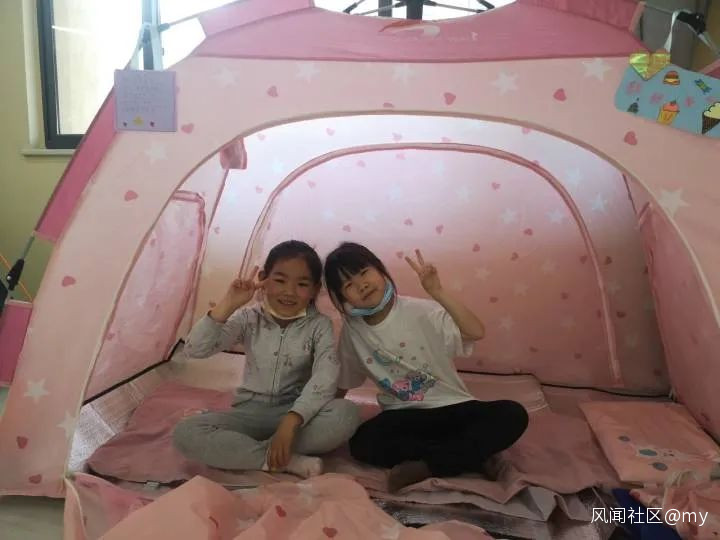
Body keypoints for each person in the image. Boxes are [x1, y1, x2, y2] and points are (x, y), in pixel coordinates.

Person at [323, 242, 529, 491]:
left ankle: (429, 466)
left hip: (452, 406)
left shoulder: (421, 310)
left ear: (380, 269)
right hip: (403, 414)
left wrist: (437, 291)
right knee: (361, 443)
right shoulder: (352, 332)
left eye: (364, 273)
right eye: (348, 285)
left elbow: (476, 331)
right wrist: (323, 418)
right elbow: (343, 383)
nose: (361, 285)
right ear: (343, 298)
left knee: (513, 415)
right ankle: (470, 455)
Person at [173, 240, 359, 478]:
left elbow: (326, 376)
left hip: (297, 414)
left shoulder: (319, 326)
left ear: (315, 289)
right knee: (186, 432)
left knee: (346, 413)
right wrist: (229, 303)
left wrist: (292, 420)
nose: (289, 292)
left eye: (302, 284)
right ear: (263, 279)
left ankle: (249, 452)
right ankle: (279, 460)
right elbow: (195, 349)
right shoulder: (248, 318)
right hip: (248, 414)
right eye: (280, 280)